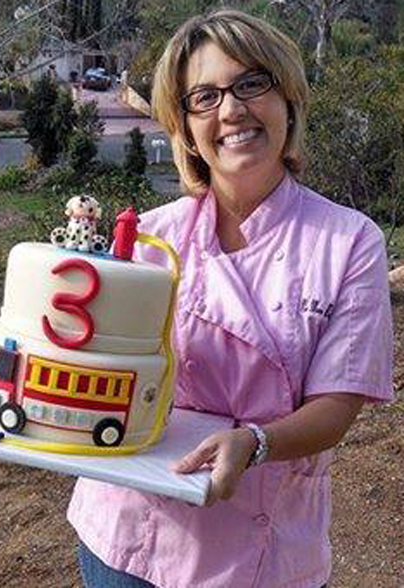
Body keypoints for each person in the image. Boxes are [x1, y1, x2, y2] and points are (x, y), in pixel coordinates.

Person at [68, 9, 394, 588]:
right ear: (186, 127)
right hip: (127, 537)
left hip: (266, 554)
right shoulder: (148, 238)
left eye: (251, 83)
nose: (231, 110)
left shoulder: (349, 241)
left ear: (287, 99)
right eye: (204, 96)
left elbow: (336, 406)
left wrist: (256, 442)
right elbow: (97, 367)